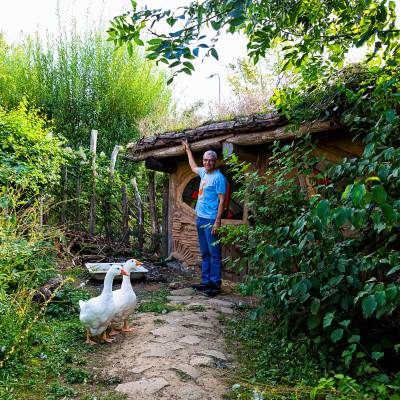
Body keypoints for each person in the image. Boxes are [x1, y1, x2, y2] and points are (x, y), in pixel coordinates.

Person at [182, 139, 227, 297]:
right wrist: (188, 149)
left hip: (211, 221)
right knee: (205, 253)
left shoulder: (219, 178)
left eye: (211, 160)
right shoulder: (203, 172)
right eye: (206, 160)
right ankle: (206, 281)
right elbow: (193, 167)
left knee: (214, 254)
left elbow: (222, 201)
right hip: (200, 219)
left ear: (215, 161)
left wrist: (217, 222)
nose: (208, 162)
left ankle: (215, 285)